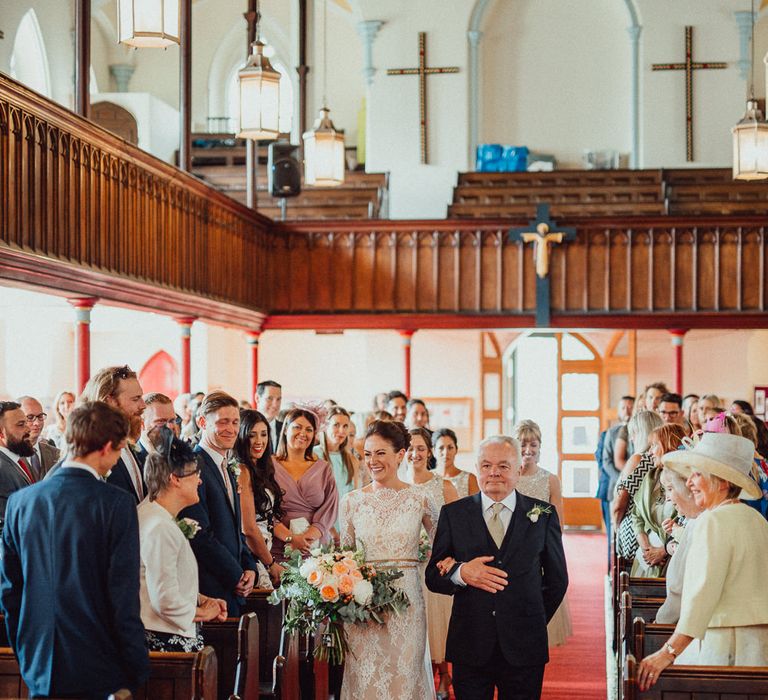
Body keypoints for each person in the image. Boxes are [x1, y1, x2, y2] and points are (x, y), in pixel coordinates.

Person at [0, 401, 149, 697]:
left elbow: (10, 591)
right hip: (98, 660)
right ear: (107, 446)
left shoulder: (23, 502)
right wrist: (135, 666)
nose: (117, 460)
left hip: (39, 660)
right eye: (119, 451)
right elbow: (122, 594)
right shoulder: (115, 504)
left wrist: (27, 652)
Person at [425, 435, 568, 700]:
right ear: (477, 469)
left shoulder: (543, 514)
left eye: (503, 466)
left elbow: (558, 580)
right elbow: (434, 576)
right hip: (470, 642)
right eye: (486, 465)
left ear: (519, 470)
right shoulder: (454, 514)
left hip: (525, 646)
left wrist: (529, 619)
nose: (494, 473)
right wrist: (461, 572)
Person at [637, 433, 768, 690]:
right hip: (760, 645)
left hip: (724, 646)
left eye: (697, 475)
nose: (691, 482)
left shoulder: (712, 521)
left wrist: (668, 651)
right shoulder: (757, 521)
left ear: (720, 482)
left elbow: (701, 593)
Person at [340, 420, 438, 699]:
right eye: (368, 454)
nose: (373, 461)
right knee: (366, 677)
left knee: (403, 677)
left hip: (407, 605)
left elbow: (442, 546)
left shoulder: (421, 498)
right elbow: (345, 558)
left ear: (400, 454)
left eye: (380, 453)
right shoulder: (351, 502)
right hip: (363, 607)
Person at [139, 427, 228, 652]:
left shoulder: (156, 515)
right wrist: (202, 613)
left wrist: (199, 599)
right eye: (195, 474)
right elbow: (164, 600)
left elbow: (161, 578)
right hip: (164, 637)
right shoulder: (159, 526)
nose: (199, 481)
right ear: (175, 479)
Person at [179, 391, 258, 616]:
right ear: (202, 422)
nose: (231, 429)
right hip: (210, 587)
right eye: (223, 422)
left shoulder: (227, 465)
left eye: (235, 422)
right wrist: (236, 575)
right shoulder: (193, 466)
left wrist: (249, 567)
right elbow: (199, 534)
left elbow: (235, 529)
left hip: (232, 585)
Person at [406, 428, 458, 699]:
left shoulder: (443, 486)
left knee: (437, 627)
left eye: (421, 448)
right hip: (407, 568)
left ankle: (445, 676)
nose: (415, 454)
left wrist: (443, 553)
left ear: (429, 452)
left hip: (435, 567)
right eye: (411, 448)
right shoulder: (396, 486)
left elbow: (461, 530)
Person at [513, 419, 572, 649]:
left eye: (533, 445)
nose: (528, 450)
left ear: (540, 447)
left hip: (538, 551)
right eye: (523, 444)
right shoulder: (509, 478)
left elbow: (558, 524)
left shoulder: (549, 480)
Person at [271, 407, 338, 560]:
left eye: (309, 429)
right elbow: (262, 509)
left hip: (314, 548)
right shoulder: (268, 466)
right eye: (297, 427)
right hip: (278, 547)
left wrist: (305, 539)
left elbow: (330, 508)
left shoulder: (323, 468)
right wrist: (291, 539)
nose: (303, 433)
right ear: (286, 430)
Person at [78, 365, 147, 504]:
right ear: (110, 401)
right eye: (136, 399)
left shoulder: (127, 444)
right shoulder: (93, 451)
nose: (143, 405)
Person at [235, 409, 285, 588]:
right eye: (252, 435)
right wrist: (270, 564)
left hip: (264, 551)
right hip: (252, 556)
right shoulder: (242, 470)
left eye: (263, 434)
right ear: (241, 437)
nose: (259, 441)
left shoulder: (262, 468)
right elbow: (248, 528)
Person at [628, 424, 686, 577]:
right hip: (646, 557)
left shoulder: (685, 479)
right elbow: (636, 514)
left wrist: (662, 551)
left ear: (667, 445)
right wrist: (647, 549)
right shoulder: (650, 477)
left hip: (673, 558)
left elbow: (689, 522)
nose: (650, 452)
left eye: (654, 445)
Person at [654, 466, 704, 625]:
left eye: (670, 489)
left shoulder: (702, 525)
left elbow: (680, 592)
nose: (667, 498)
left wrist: (658, 623)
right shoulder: (694, 522)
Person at [612, 410, 664, 560]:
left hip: (635, 532)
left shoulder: (638, 460)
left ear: (641, 433)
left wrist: (616, 525)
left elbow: (621, 502)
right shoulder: (660, 457)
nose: (631, 439)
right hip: (658, 532)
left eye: (633, 433)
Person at [313, 406, 361, 543]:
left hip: (345, 524)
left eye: (345, 426)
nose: (341, 431)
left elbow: (354, 497)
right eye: (336, 425)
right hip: (322, 524)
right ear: (325, 427)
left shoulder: (351, 459)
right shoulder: (315, 455)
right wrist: (331, 530)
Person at [597, 395, 634, 566]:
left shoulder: (636, 431)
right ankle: (611, 569)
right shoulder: (610, 433)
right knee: (612, 533)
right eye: (623, 407)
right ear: (618, 411)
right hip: (612, 488)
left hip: (633, 490)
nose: (627, 410)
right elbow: (606, 462)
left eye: (630, 406)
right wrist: (623, 482)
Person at [0, 402, 38, 531]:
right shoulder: (1, 468)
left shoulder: (19, 459)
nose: (28, 429)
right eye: (21, 425)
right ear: (1, 433)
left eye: (26, 422)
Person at [17, 396, 59, 479]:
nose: (37, 423)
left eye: (40, 416)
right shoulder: (8, 456)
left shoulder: (57, 454)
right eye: (30, 417)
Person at [433, 428, 479, 498]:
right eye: (441, 448)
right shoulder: (425, 478)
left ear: (456, 450)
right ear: (433, 451)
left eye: (450, 447)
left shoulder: (470, 479)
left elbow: (476, 508)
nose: (445, 453)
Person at [136, 392, 177, 465]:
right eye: (161, 421)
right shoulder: (134, 459)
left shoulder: (177, 456)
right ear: (142, 424)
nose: (170, 427)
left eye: (172, 420)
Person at [254, 380, 283, 450]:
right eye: (269, 398)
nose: (275, 405)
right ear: (257, 398)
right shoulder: (245, 427)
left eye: (278, 399)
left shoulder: (285, 429)